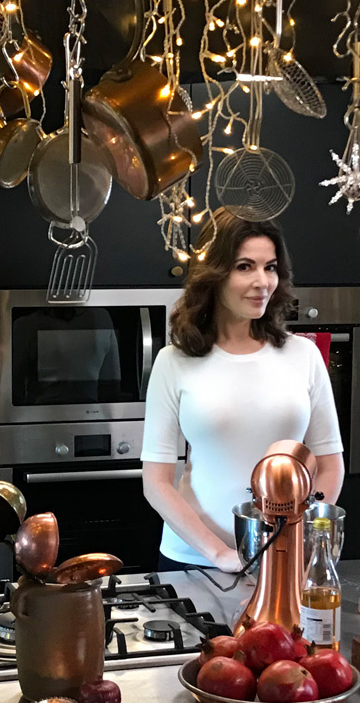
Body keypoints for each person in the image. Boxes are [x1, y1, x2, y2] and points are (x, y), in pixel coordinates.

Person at [141, 211, 345, 573]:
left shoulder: (304, 356)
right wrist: (219, 553)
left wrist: (298, 538)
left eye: (270, 267)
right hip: (193, 561)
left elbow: (330, 466)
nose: (262, 282)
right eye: (245, 266)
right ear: (214, 274)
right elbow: (156, 483)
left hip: (284, 560)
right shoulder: (173, 361)